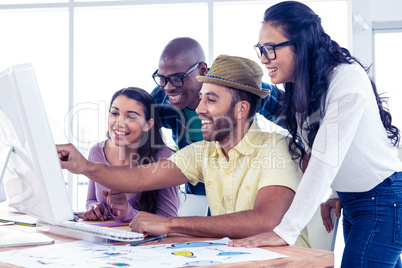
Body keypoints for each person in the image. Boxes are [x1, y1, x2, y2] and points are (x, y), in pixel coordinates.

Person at [57, 55, 309, 247]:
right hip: (236, 257)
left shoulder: (277, 147)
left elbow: (266, 220)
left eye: (210, 100)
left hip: (287, 261)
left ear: (241, 109)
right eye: (200, 98)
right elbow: (141, 178)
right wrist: (85, 166)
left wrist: (170, 223)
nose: (198, 109)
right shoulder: (203, 152)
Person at [229, 2, 402, 267]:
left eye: (271, 49)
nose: (264, 59)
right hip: (357, 200)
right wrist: (337, 192)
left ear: (302, 44)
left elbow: (324, 158)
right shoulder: (304, 85)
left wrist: (285, 231)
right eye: (261, 49)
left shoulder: (347, 81)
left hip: (383, 201)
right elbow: (344, 145)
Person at [151, 37, 282, 196]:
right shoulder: (161, 100)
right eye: (162, 79)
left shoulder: (236, 86)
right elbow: (137, 130)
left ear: (202, 70)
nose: (168, 87)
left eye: (177, 78)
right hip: (200, 185)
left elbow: (295, 115)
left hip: (244, 181)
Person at [82, 87, 179, 222]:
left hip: (146, 241)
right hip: (107, 238)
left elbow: (168, 219)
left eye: (131, 117)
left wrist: (127, 212)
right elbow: (91, 199)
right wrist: (95, 208)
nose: (119, 123)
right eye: (115, 113)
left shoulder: (163, 158)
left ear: (148, 124)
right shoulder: (96, 151)